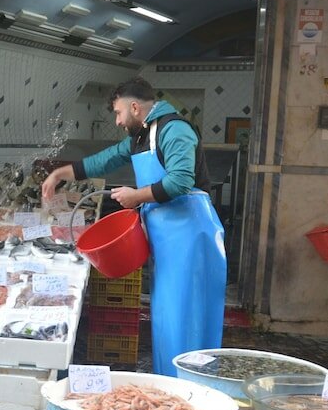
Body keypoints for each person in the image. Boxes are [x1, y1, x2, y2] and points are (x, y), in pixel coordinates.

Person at [41, 77, 226, 376]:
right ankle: (170, 384)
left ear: (135, 107)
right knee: (167, 319)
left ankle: (194, 388)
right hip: (168, 241)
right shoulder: (142, 136)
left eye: (118, 113)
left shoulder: (174, 130)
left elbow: (180, 181)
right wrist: (60, 173)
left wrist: (135, 196)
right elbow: (105, 161)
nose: (117, 121)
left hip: (191, 240)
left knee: (187, 317)